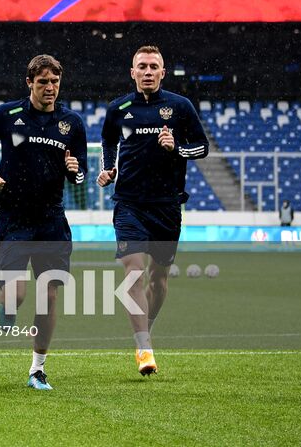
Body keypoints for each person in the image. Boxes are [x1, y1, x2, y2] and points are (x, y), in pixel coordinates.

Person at [0, 55, 87, 391]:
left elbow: (79, 175)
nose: (50, 88)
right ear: (29, 83)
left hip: (52, 219)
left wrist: (73, 170)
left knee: (48, 295)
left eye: (54, 82)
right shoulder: (7, 115)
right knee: (16, 294)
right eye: (43, 83)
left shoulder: (72, 123)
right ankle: (7, 308)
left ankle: (37, 369)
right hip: (14, 217)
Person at [98, 45, 209, 378]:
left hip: (167, 206)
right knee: (133, 271)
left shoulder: (180, 107)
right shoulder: (119, 108)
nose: (147, 71)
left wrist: (177, 147)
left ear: (163, 72)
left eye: (153, 67)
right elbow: (108, 144)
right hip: (128, 204)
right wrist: (108, 169)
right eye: (141, 66)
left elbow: (201, 147)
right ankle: (144, 346)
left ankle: (147, 325)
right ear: (132, 73)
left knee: (158, 282)